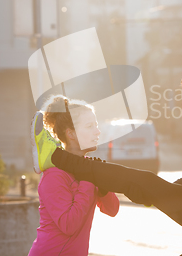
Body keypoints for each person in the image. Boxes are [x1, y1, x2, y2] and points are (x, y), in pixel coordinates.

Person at [32, 65, 182, 256]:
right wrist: (147, 194)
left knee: (148, 182)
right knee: (146, 181)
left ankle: (55, 157)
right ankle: (54, 157)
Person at [28, 96, 119, 256]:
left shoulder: (89, 168)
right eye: (90, 126)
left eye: (96, 125)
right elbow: (69, 225)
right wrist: (88, 178)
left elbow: (112, 209)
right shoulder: (54, 176)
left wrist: (103, 188)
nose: (97, 131)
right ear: (71, 134)